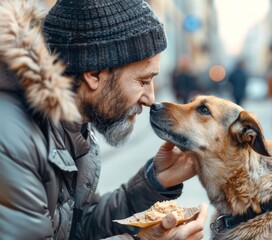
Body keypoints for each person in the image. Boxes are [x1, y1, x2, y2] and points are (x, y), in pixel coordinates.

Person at [0, 0, 208, 239]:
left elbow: (77, 228)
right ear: (94, 74)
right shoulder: (11, 138)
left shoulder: (73, 127)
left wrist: (155, 183)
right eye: (143, 81)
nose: (151, 99)